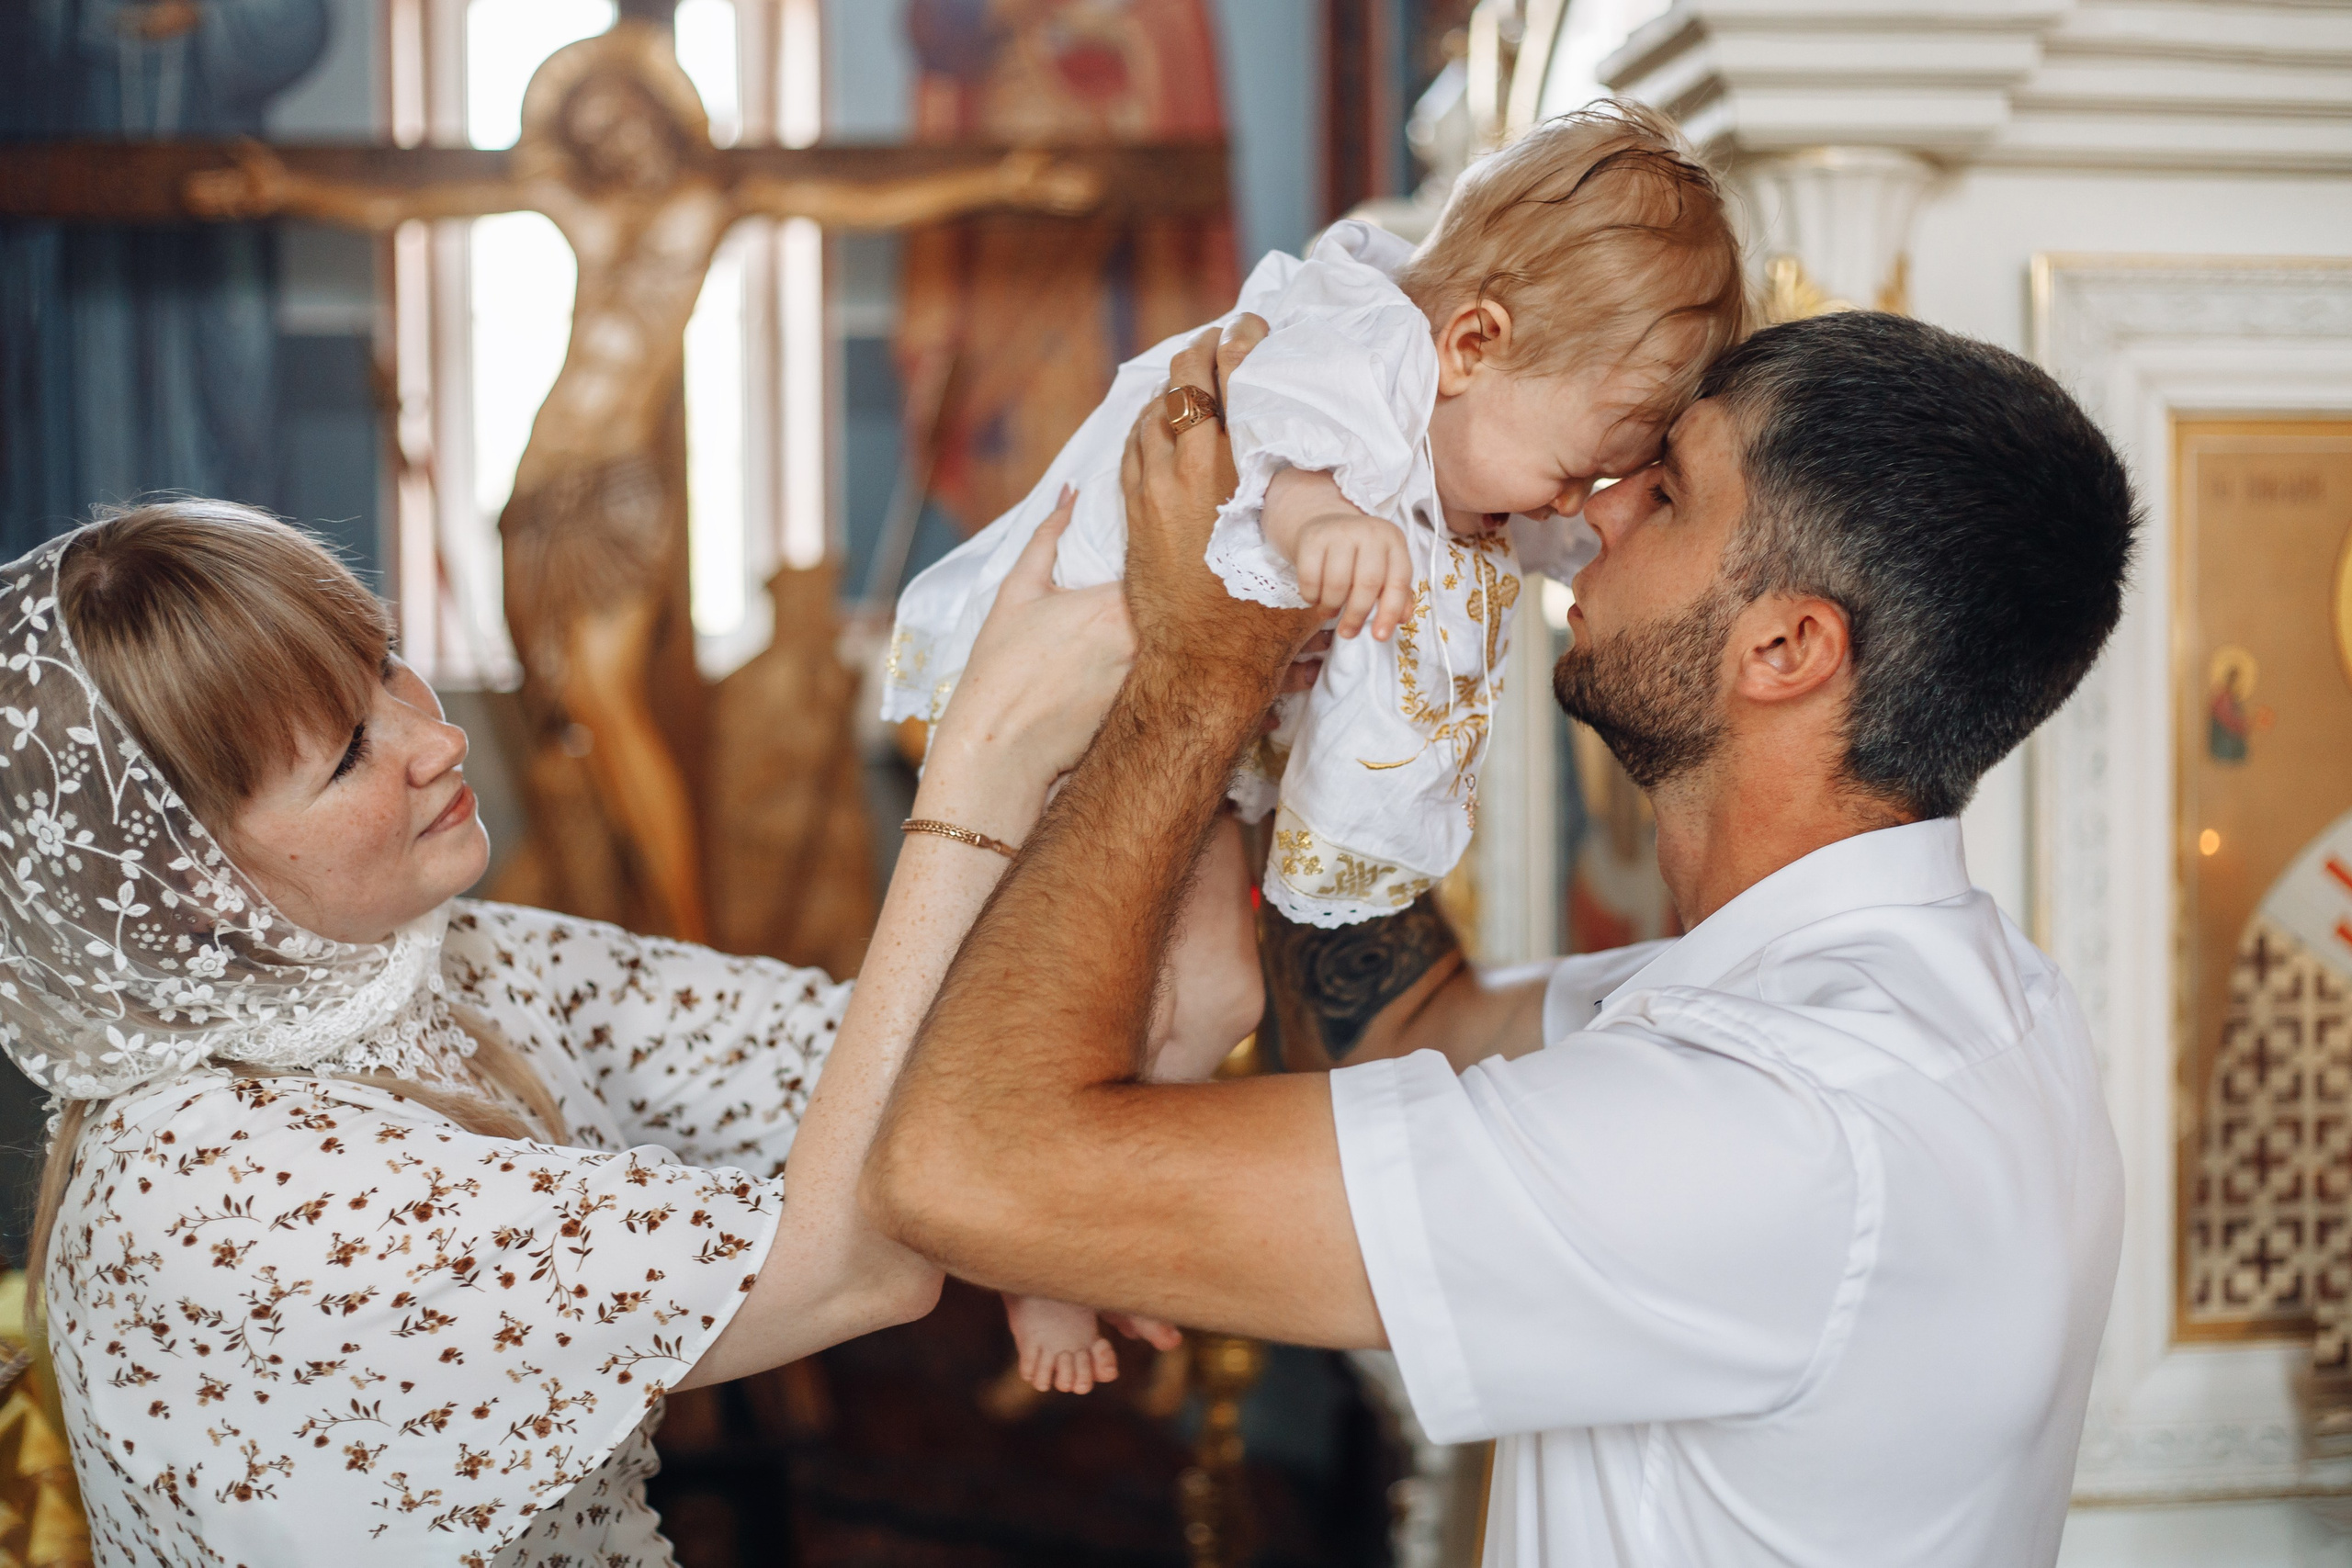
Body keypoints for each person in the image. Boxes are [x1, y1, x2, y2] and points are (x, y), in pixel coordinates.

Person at [866, 309, 2140, 1567]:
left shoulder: (1776, 1126)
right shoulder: (1933, 995)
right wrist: (1365, 598)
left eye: (1667, 493)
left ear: (1788, 646)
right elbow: (1395, 1033)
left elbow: (966, 1172)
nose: (1597, 509)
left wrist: (1200, 669)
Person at [8, 493, 1133, 1566]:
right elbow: (851, 1268)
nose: (435, 737)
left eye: (387, 663)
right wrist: (982, 766)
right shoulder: (227, 1194)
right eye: (347, 752)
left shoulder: (425, 962)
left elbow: (877, 1049)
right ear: (187, 883)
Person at [884, 102, 1744, 1385]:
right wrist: (1319, 519)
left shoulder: (1474, 419)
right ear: (1471, 342)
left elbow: (1542, 527)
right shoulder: (1358, 350)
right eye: (1577, 470)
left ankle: (1070, 1212)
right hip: (1092, 702)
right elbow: (1264, 431)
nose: (1573, 505)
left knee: (1221, 997)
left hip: (1176, 723)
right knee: (1160, 991)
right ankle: (1039, 1255)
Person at [185, 22, 1099, 944]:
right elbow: (419, 197)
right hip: (540, 485)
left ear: (662, 114)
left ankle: (686, 939)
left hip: (621, 486)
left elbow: (857, 198)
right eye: (592, 126)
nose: (613, 139)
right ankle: (608, 913)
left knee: (606, 704)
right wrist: (287, 188)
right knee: (555, 718)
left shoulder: (714, 198)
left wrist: (1004, 182)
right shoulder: (574, 200)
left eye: (623, 115)